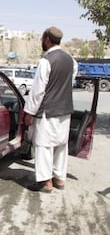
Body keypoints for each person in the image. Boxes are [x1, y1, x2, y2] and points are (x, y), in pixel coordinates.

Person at [23, 27, 77, 193]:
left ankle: (46, 183)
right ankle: (59, 179)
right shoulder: (71, 61)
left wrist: (30, 112)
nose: (41, 42)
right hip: (65, 112)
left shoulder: (46, 61)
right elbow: (69, 82)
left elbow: (38, 91)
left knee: (43, 146)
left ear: (47, 39)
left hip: (48, 113)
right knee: (61, 146)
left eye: (42, 39)